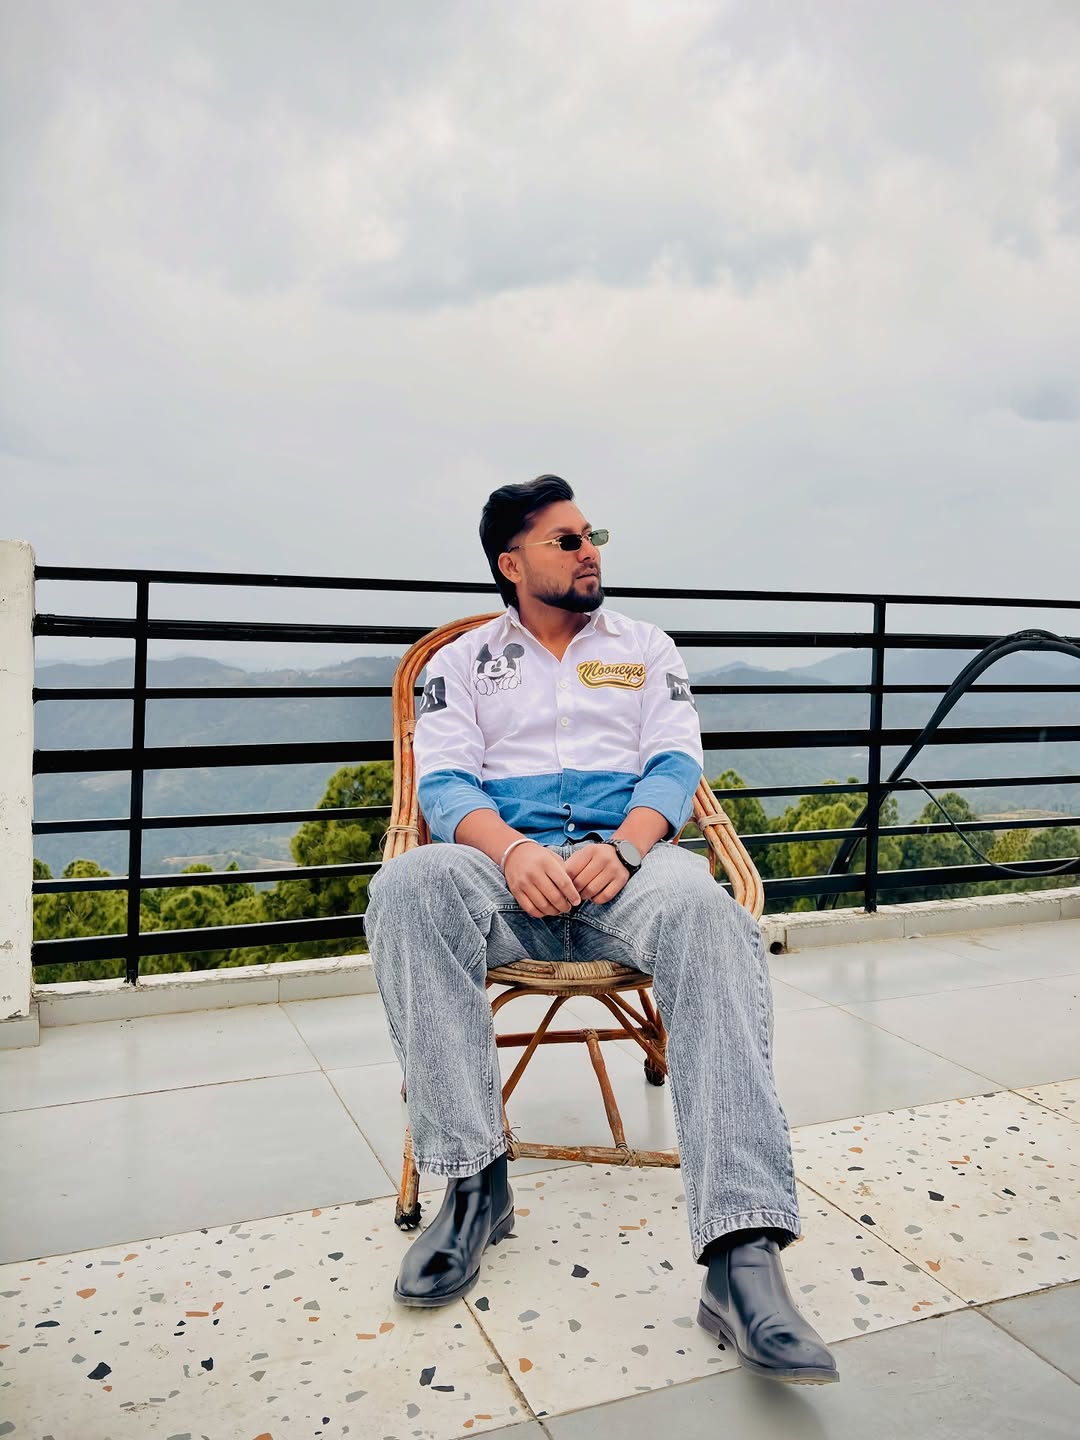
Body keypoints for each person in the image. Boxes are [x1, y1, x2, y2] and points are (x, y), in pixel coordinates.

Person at [365, 474, 838, 1385]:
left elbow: (675, 763)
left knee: (710, 916)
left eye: (592, 536)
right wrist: (511, 853)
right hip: (505, 875)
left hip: (631, 868)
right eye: (566, 540)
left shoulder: (645, 647)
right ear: (512, 565)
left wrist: (625, 847)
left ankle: (741, 1251)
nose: (590, 552)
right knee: (410, 886)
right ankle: (474, 1185)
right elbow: (445, 782)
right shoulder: (461, 663)